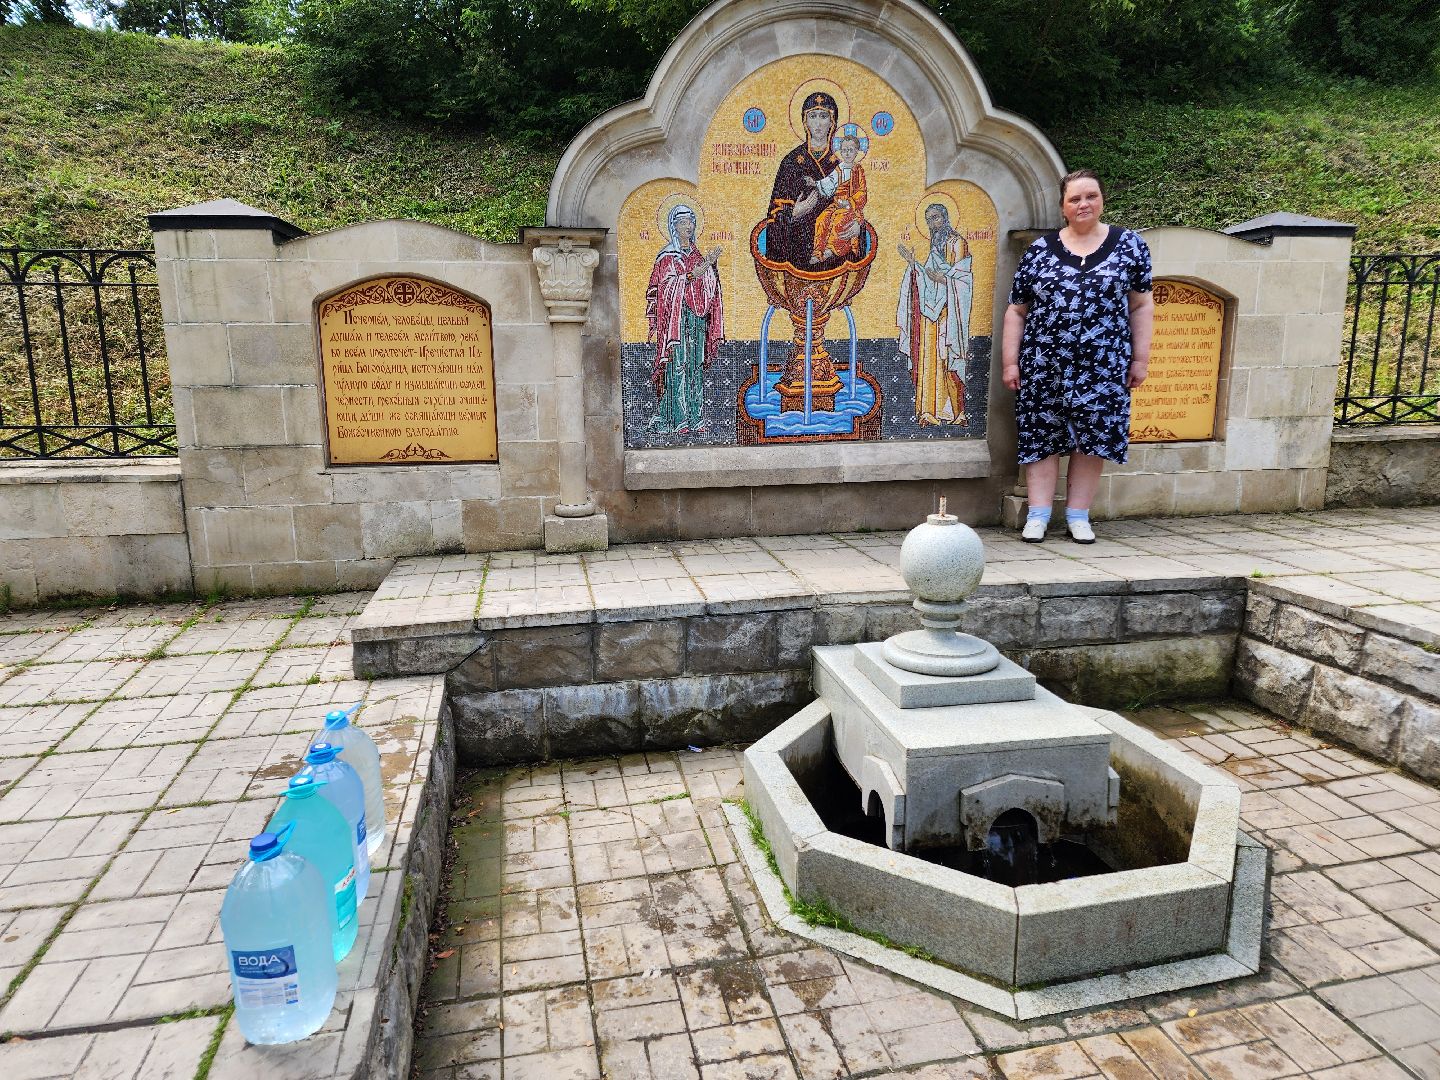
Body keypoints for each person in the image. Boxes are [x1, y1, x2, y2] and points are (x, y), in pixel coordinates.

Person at [1001, 169, 1153, 543]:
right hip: (1043, 365)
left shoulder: (1130, 246)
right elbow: (1016, 310)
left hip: (1104, 365)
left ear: (1102, 200)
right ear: (1063, 207)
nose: (1083, 204)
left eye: (1091, 196)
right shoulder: (1039, 252)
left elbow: (1141, 305)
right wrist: (1010, 362)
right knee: (1040, 436)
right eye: (1075, 199)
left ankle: (1078, 516)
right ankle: (1037, 515)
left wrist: (1140, 359)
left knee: (1093, 438)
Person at [645, 203, 724, 435]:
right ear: (674, 227)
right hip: (676, 319)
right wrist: (691, 275)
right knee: (677, 366)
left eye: (690, 222)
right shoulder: (667, 256)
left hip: (697, 318)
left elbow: (708, 287)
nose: (688, 226)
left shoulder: (697, 255)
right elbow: (664, 286)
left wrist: (709, 267)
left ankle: (695, 418)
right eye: (682, 222)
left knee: (695, 366)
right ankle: (677, 419)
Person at [763, 91, 862, 270]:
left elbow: (858, 200)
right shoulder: (791, 162)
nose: (818, 123)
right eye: (813, 116)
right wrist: (795, 212)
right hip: (797, 252)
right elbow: (773, 215)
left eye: (823, 116)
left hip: (835, 248)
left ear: (832, 122)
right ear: (805, 121)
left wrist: (858, 225)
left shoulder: (843, 161)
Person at [897, 203, 973, 426]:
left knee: (949, 359)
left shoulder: (957, 243)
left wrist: (943, 279)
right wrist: (913, 265)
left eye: (936, 217)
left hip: (951, 314)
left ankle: (957, 413)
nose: (932, 223)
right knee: (930, 360)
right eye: (929, 219)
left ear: (946, 218)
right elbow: (928, 279)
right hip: (932, 317)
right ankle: (929, 411)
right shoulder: (934, 246)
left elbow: (964, 279)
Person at [807, 133, 868, 264]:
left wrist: (849, 202)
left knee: (838, 220)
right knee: (822, 218)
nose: (847, 153)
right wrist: (815, 183)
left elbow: (862, 192)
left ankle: (830, 249)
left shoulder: (858, 170)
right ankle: (817, 251)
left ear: (856, 152)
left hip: (851, 207)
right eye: (844, 150)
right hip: (837, 203)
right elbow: (829, 182)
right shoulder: (839, 169)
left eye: (850, 150)